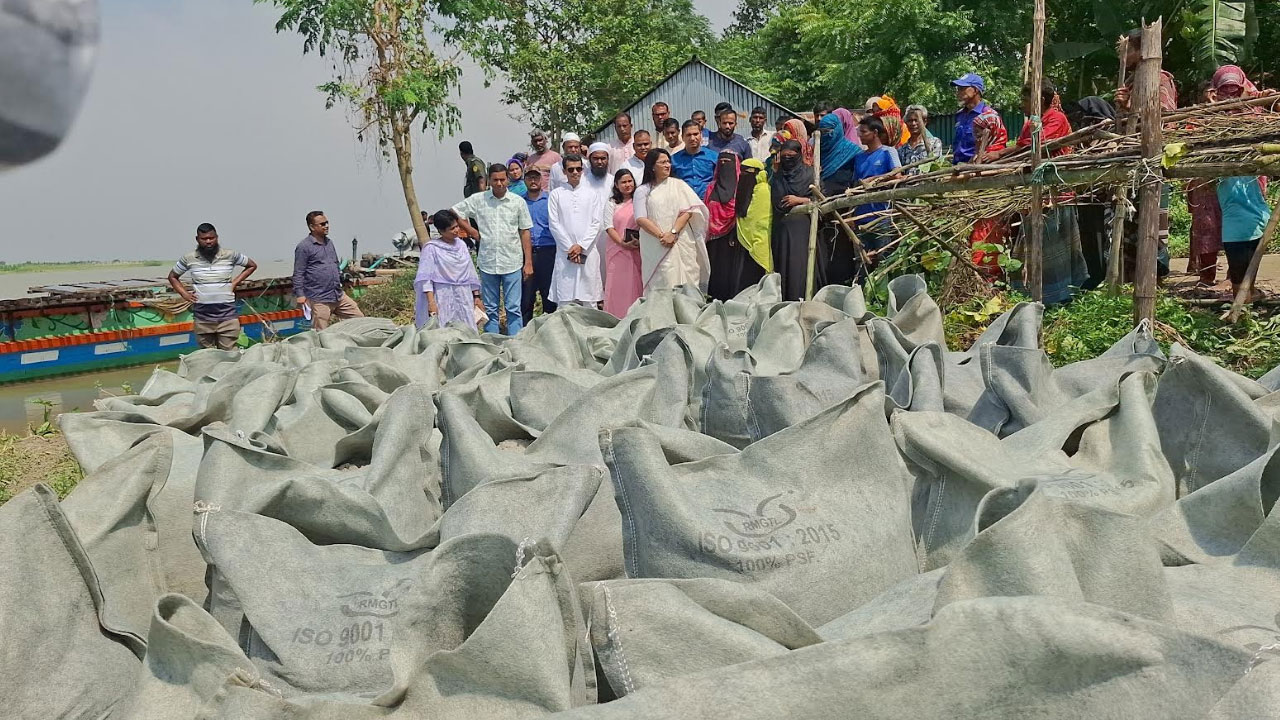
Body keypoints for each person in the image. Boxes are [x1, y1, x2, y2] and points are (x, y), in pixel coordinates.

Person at [452, 164, 534, 335]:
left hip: (512, 261)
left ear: (507, 180)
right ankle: (492, 344)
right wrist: (472, 231)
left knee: (513, 307)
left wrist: (528, 263)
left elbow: (525, 231)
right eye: (495, 180)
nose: (499, 183)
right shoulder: (478, 200)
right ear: (489, 180)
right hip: (488, 261)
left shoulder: (517, 202)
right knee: (490, 309)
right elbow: (455, 212)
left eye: (502, 179)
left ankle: (515, 344)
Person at [169, 223, 257, 350]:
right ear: (197, 239)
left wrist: (235, 282)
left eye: (212, 238)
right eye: (204, 239)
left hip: (227, 318)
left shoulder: (230, 255)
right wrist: (184, 294)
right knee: (208, 357)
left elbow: (252, 265)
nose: (208, 241)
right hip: (203, 319)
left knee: (230, 356)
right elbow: (173, 276)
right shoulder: (189, 258)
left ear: (217, 237)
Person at [634, 148, 711, 293]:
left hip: (680, 241)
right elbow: (641, 219)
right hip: (656, 245)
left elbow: (688, 211)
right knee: (664, 282)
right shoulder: (643, 190)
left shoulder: (679, 185)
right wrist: (662, 236)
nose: (667, 165)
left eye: (668, 162)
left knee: (687, 284)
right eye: (662, 162)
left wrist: (673, 233)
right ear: (652, 166)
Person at [704, 151, 768, 300]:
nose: (725, 165)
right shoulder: (711, 188)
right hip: (713, 240)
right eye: (722, 163)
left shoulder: (742, 186)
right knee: (716, 274)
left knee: (732, 274)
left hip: (735, 238)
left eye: (729, 162)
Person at [548, 154, 604, 306]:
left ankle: (591, 331)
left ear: (583, 170)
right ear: (564, 171)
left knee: (589, 300)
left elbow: (596, 223)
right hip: (565, 254)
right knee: (565, 301)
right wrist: (570, 247)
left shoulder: (592, 194)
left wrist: (581, 246)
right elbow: (554, 223)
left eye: (578, 169)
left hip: (588, 252)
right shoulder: (556, 195)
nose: (575, 172)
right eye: (570, 169)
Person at [293, 211, 364, 330]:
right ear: (312, 227)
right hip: (319, 298)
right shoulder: (304, 247)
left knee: (360, 320)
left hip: (337, 295)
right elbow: (298, 273)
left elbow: (335, 264)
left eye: (327, 223)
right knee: (321, 333)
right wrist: (300, 295)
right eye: (322, 224)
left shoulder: (329, 243)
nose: (326, 226)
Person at [415, 210, 483, 330]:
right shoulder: (432, 249)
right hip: (442, 295)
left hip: (463, 294)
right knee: (443, 328)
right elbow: (426, 279)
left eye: (457, 226)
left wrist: (476, 296)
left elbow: (470, 272)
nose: (456, 230)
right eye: (452, 229)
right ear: (441, 231)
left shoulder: (461, 245)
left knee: (466, 329)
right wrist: (431, 303)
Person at [852, 116, 902, 275]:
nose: (860, 135)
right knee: (862, 263)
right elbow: (855, 185)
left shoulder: (888, 152)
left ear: (875, 133)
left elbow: (898, 176)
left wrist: (874, 180)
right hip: (861, 217)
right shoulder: (859, 157)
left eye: (863, 131)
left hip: (881, 216)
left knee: (883, 261)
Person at [771, 139, 817, 301]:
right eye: (784, 156)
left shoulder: (811, 174)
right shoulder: (777, 176)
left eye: (791, 156)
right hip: (782, 231)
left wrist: (801, 200)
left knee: (801, 268)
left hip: (803, 231)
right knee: (784, 268)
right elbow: (778, 202)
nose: (787, 160)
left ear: (799, 155)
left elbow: (822, 199)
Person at [1218, 175, 1271, 304]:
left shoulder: (1222, 174)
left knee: (1240, 281)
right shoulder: (1250, 170)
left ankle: (1242, 314)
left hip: (1237, 230)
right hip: (1257, 223)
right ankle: (1248, 307)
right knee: (1248, 274)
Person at [604, 168, 643, 316]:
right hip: (617, 251)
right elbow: (608, 226)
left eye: (629, 181)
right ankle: (615, 317)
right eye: (623, 182)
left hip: (637, 250)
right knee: (617, 286)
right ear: (616, 185)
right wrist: (622, 243)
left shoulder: (640, 201)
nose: (627, 185)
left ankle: (635, 317)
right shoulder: (612, 203)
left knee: (635, 285)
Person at [1114, 28, 1178, 114]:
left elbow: (1163, 112)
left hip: (1149, 126)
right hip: (1130, 126)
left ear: (1142, 51)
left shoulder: (1159, 79)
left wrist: (1128, 106)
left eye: (1128, 51)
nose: (1122, 57)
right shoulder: (1132, 83)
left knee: (1093, 103)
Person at [521, 168, 557, 320]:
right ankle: (526, 333)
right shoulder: (519, 202)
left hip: (548, 251)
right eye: (530, 178)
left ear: (542, 180)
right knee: (526, 296)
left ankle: (550, 330)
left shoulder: (550, 200)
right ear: (525, 181)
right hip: (525, 253)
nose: (533, 181)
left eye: (536, 178)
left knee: (548, 294)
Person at [950, 73, 1008, 164]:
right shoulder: (960, 115)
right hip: (958, 166)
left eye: (962, 89)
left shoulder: (989, 117)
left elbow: (998, 144)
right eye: (958, 89)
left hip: (977, 167)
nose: (958, 93)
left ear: (975, 90)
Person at [670, 120, 717, 198]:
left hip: (708, 202)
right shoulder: (674, 160)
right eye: (688, 135)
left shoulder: (714, 157)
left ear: (701, 135)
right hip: (684, 203)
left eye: (695, 134)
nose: (692, 138)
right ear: (682, 137)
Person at [899, 105, 943, 172]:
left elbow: (936, 165)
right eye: (910, 121)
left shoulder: (934, 143)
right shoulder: (902, 149)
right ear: (906, 123)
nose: (913, 124)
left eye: (916, 120)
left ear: (924, 122)